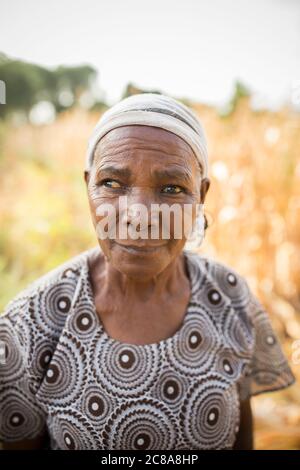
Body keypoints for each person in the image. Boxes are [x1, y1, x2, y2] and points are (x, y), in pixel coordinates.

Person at [0, 93, 296, 450]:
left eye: (172, 188)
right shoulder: (29, 323)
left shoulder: (230, 296)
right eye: (112, 183)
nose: (139, 215)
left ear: (201, 196)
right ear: (88, 186)